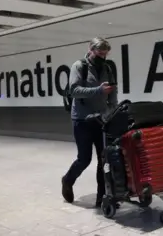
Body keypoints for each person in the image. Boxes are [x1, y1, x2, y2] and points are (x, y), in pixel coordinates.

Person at [61, 37, 117, 208]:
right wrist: (99, 90)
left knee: (104, 159)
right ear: (91, 50)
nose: (103, 57)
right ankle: (67, 180)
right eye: (100, 53)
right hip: (82, 120)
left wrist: (113, 110)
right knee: (84, 159)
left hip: (102, 120)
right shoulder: (79, 66)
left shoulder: (107, 67)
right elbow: (74, 90)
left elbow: (113, 91)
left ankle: (103, 197)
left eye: (105, 54)